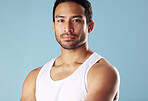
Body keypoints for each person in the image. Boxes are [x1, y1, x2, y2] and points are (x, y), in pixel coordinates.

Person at [20, 0, 120, 101]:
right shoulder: (35, 77)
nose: (67, 28)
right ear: (53, 26)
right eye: (61, 20)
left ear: (90, 27)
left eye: (76, 20)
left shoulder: (102, 72)